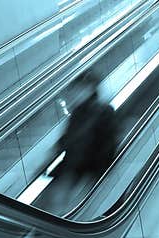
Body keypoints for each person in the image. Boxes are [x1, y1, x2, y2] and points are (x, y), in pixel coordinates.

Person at [39, 71, 119, 215]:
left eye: (80, 88)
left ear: (90, 89)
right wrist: (48, 160)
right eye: (75, 89)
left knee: (76, 203)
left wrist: (101, 168)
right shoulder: (77, 113)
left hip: (90, 169)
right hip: (72, 166)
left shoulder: (104, 110)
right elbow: (66, 138)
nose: (75, 93)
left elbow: (108, 142)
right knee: (57, 200)